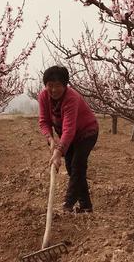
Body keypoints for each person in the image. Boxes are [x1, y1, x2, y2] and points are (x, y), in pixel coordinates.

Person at [38, 65, 99, 213]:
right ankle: (86, 206)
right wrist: (51, 140)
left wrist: (58, 152)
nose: (53, 90)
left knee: (77, 165)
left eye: (58, 85)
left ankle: (67, 204)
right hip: (69, 136)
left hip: (86, 132)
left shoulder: (72, 98)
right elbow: (44, 121)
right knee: (73, 170)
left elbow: (69, 129)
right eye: (49, 86)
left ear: (65, 85)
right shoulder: (43, 96)